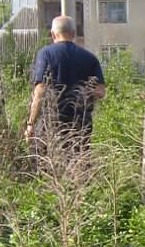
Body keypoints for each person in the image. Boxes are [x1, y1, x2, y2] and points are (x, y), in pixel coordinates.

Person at [25, 15, 106, 153]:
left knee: (46, 166)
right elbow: (100, 92)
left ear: (52, 34)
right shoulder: (90, 58)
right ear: (73, 34)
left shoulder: (45, 55)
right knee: (78, 164)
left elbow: (40, 91)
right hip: (80, 124)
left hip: (51, 123)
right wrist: (81, 93)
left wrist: (31, 123)